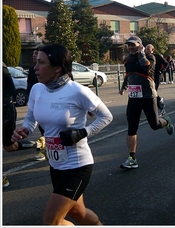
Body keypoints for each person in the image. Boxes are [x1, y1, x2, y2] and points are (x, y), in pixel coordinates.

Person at [11, 43, 113, 225]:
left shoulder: (78, 91)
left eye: (41, 62)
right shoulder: (37, 89)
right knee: (78, 213)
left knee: (52, 222)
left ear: (57, 68)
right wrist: (24, 129)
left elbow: (106, 116)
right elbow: (30, 118)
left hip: (77, 165)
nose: (35, 67)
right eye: (36, 62)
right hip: (56, 163)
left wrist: (83, 132)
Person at [120, 37, 174, 169]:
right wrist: (123, 87)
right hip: (133, 97)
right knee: (132, 128)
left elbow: (146, 68)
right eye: (129, 45)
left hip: (148, 96)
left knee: (155, 125)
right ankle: (132, 158)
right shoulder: (128, 59)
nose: (131, 47)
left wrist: (142, 53)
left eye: (133, 45)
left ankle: (166, 121)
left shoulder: (150, 57)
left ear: (140, 45)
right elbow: (128, 75)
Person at [3, 62, 46, 188]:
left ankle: (38, 144)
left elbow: (10, 88)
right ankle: (38, 144)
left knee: (9, 146)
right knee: (10, 147)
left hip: (5, 110)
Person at [27, 48, 47, 161]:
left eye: (36, 53)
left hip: (47, 101)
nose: (34, 56)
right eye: (33, 53)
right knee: (41, 127)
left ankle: (46, 148)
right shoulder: (32, 69)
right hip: (37, 102)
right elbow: (29, 85)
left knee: (47, 128)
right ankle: (43, 150)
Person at [145, 44, 169, 116]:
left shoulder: (157, 56)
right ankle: (158, 100)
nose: (147, 51)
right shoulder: (145, 57)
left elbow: (166, 64)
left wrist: (162, 70)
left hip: (157, 77)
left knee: (153, 91)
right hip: (149, 77)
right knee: (149, 92)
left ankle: (160, 106)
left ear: (152, 50)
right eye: (146, 49)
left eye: (149, 49)